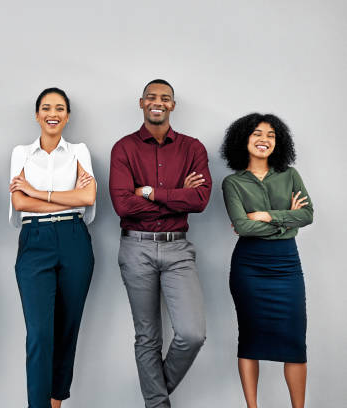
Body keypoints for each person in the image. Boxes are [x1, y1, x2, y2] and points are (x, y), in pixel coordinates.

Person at [109, 79, 211, 408]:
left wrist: (149, 191)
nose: (158, 102)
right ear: (141, 103)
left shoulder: (192, 148)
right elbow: (123, 205)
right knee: (148, 337)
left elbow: (200, 200)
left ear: (173, 106)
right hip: (135, 248)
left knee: (192, 334)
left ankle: (154, 398)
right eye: (151, 97)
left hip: (178, 248)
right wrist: (176, 195)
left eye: (165, 98)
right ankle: (158, 404)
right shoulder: (123, 148)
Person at [9, 87, 96, 408]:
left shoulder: (79, 152)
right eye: (46, 107)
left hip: (75, 241)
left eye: (60, 108)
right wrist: (60, 198)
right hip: (34, 243)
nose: (53, 113)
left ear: (68, 116)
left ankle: (55, 404)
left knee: (66, 331)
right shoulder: (21, 153)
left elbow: (87, 198)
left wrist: (38, 194)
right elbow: (19, 202)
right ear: (37, 114)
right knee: (39, 335)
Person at [220, 113, 312, 408]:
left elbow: (307, 215)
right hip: (250, 268)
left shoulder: (290, 175)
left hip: (287, 266)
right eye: (257, 133)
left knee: (295, 343)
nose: (264, 139)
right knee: (250, 338)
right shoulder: (232, 182)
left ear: (279, 141)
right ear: (243, 140)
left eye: (271, 135)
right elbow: (243, 227)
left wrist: (267, 215)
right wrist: (288, 220)